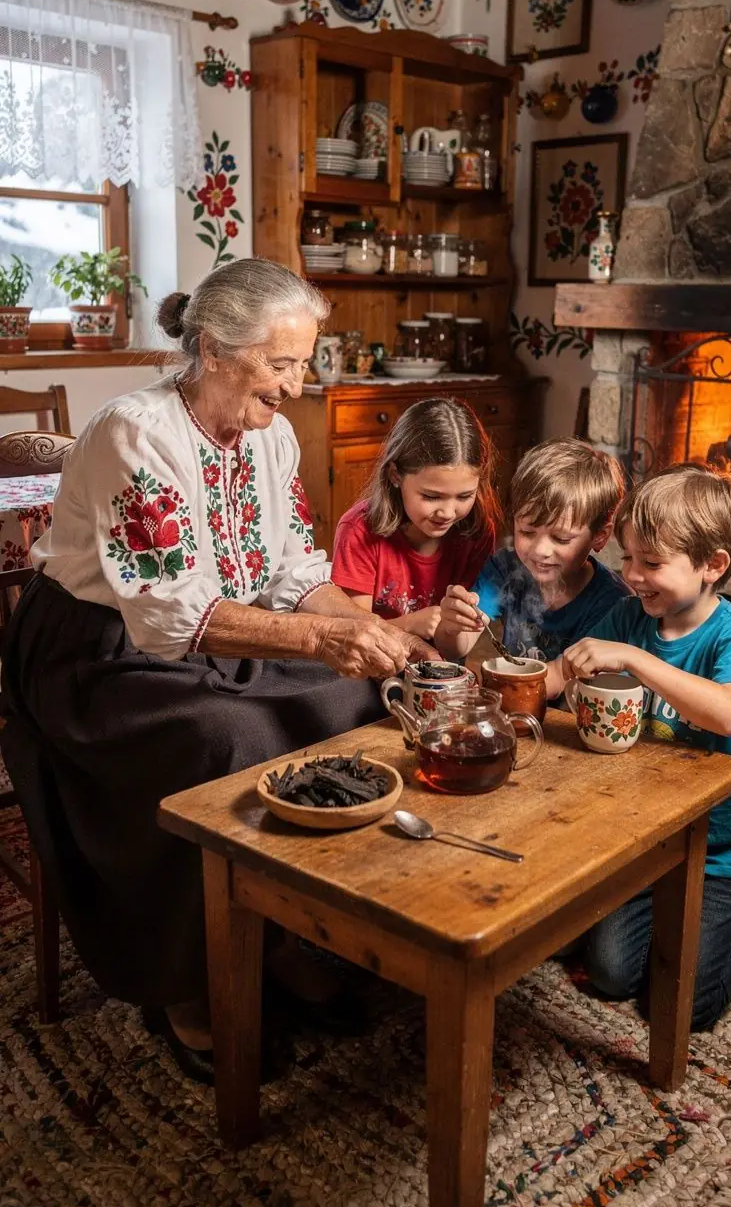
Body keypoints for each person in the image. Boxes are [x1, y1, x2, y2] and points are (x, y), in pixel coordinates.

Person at [1, 259, 430, 1075]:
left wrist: (377, 638)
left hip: (220, 634)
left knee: (357, 699)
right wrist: (321, 642)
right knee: (229, 738)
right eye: (282, 364)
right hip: (93, 653)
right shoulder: (137, 431)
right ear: (211, 348)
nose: (296, 388)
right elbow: (168, 614)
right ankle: (186, 981)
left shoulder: (269, 435)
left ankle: (277, 936)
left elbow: (296, 573)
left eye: (303, 364)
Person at [556, 463, 731, 1030]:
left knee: (683, 1009)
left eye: (651, 563)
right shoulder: (627, 616)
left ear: (712, 566)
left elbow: (726, 713)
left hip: (721, 849)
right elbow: (563, 680)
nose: (631, 575)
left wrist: (634, 659)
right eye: (627, 558)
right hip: (643, 839)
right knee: (611, 973)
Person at [435, 438, 628, 665]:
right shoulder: (505, 569)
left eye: (561, 538)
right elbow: (455, 650)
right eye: (527, 532)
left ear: (600, 536)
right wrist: (452, 628)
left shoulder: (615, 604)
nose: (540, 550)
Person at [331, 399, 499, 643]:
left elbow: (456, 650)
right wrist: (409, 625)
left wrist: (452, 626)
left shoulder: (477, 534)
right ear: (395, 475)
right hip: (369, 671)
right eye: (431, 496)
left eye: (464, 496)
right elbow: (353, 635)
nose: (448, 513)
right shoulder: (358, 530)